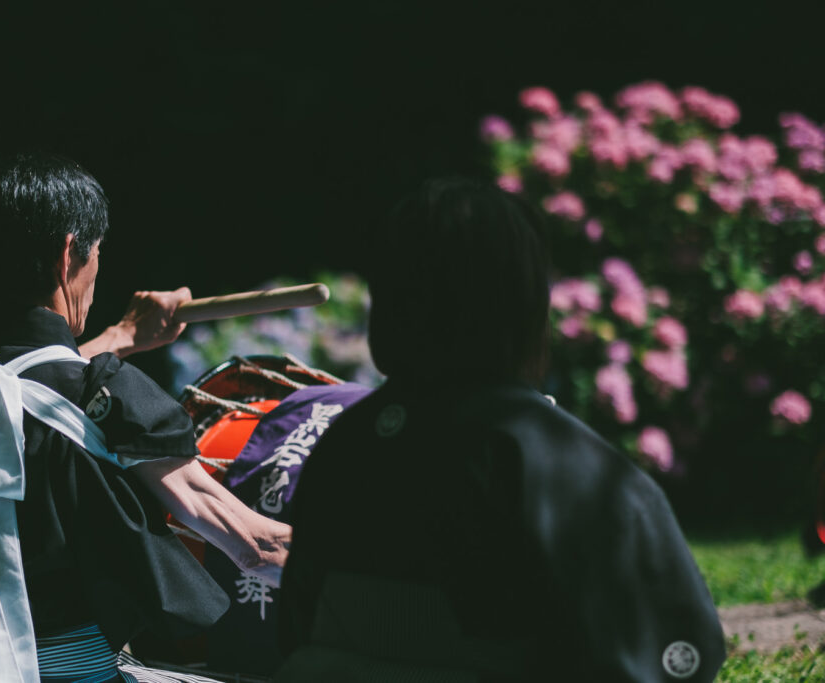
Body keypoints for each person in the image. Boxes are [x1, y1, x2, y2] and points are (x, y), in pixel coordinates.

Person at [0, 153, 290, 683]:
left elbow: (24, 384)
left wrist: (122, 337)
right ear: (69, 254)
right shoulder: (111, 395)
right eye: (97, 253)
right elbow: (257, 548)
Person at [276, 177, 726, 682]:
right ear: (527, 313)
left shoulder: (344, 446)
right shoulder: (561, 463)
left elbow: (294, 626)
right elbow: (675, 653)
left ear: (386, 313)